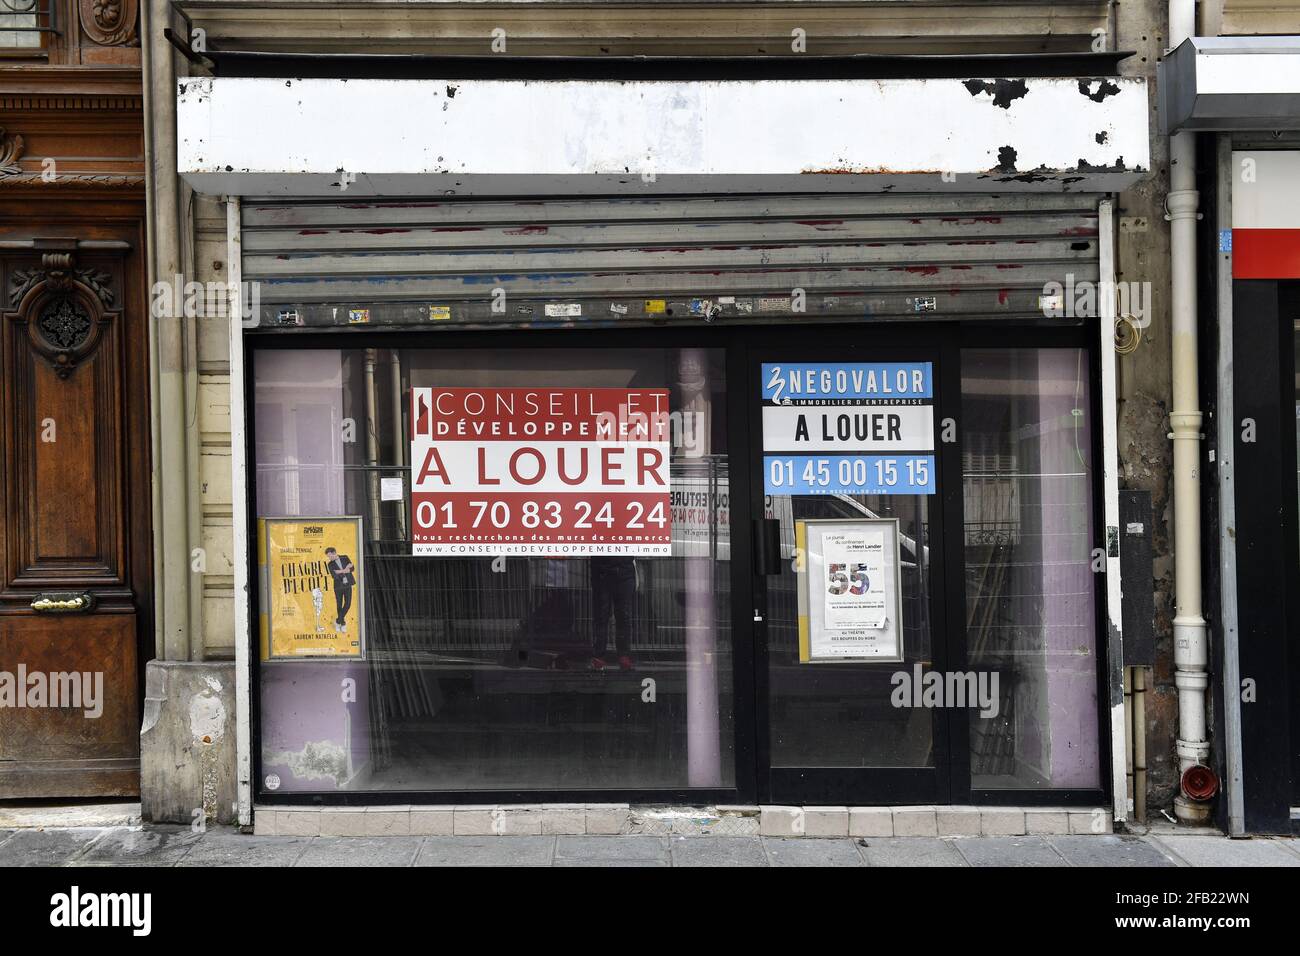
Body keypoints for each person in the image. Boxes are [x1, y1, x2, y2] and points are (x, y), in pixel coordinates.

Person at [589, 556, 636, 671]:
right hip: (623, 570)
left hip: (602, 571)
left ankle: (599, 657)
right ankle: (623, 656)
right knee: (622, 616)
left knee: (602, 615)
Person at [324, 547, 356, 632]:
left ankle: (338, 621)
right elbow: (334, 576)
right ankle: (343, 623)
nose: (329, 558)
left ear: (335, 552)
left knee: (348, 604)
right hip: (338, 586)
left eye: (330, 556)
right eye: (328, 557)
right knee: (339, 605)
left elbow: (353, 568)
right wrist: (345, 570)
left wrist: (340, 571)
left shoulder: (345, 557)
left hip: (348, 584)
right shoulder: (330, 564)